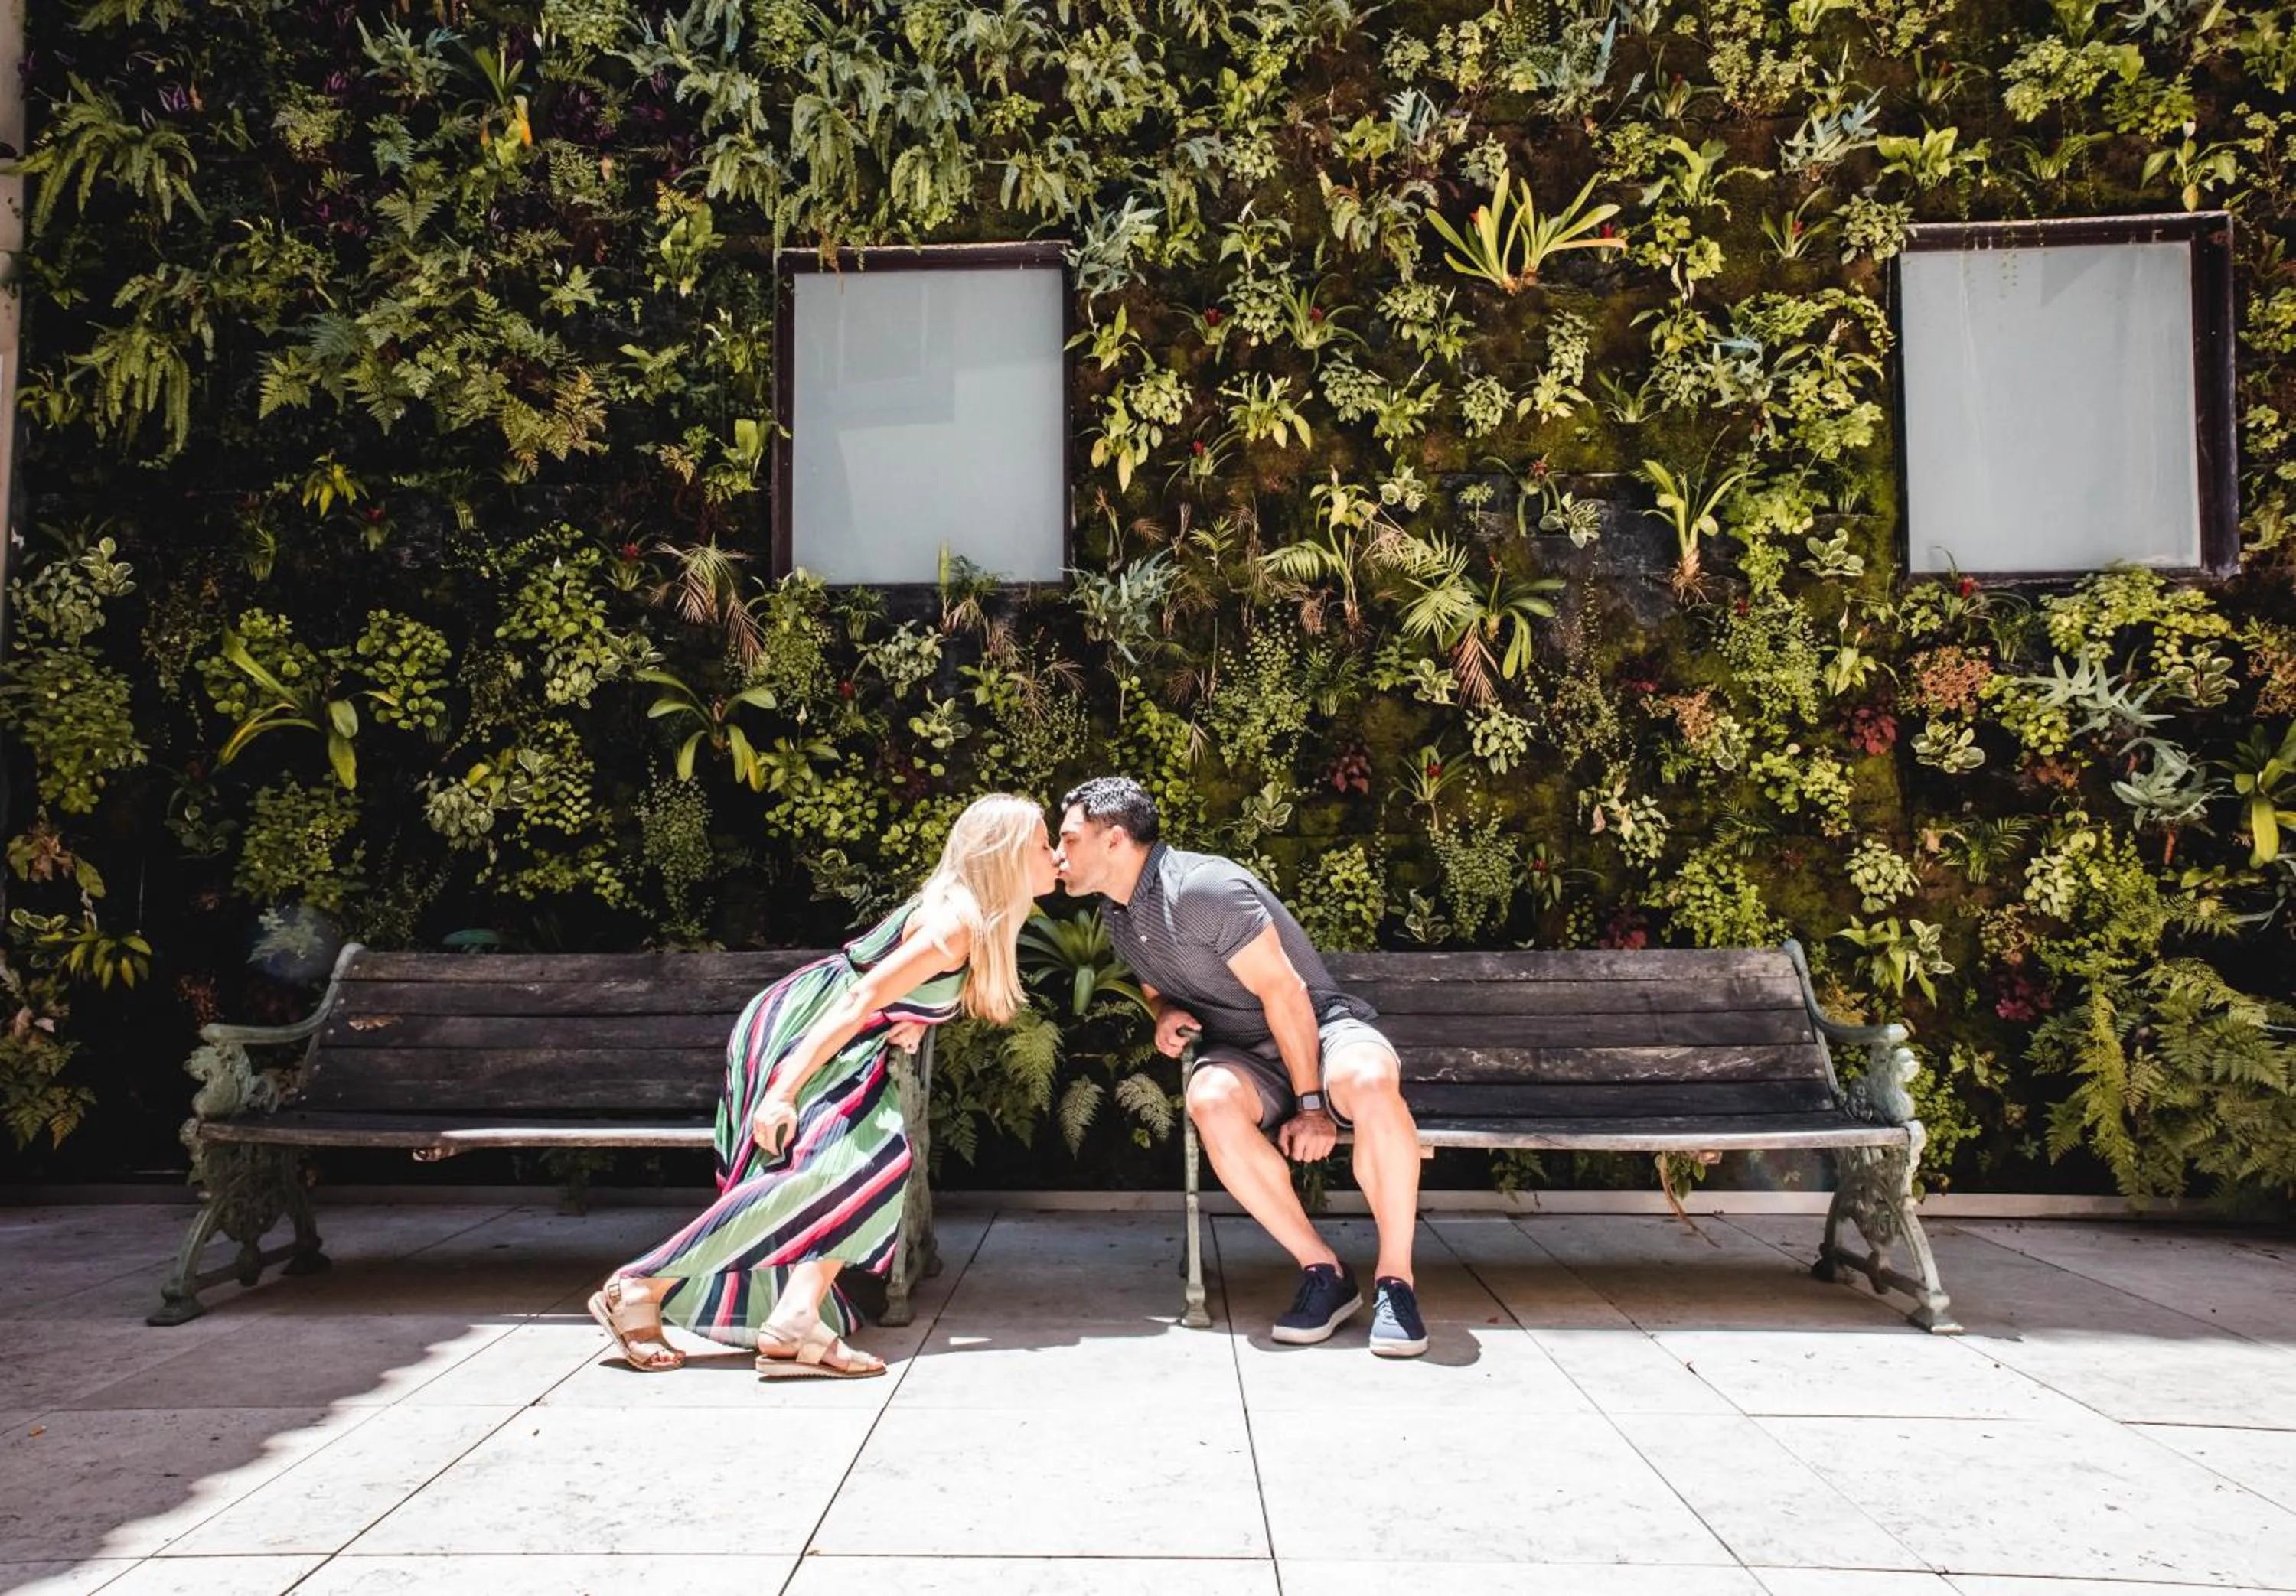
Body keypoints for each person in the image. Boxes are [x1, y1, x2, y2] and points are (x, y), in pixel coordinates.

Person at [589, 793, 1058, 1377]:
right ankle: (640, 1285)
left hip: (842, 1037)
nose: (1056, 855)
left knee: (871, 1162)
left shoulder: (975, 922)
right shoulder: (957, 923)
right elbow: (860, 996)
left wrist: (909, 1019)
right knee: (852, 1164)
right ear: (1006, 856)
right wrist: (783, 1091)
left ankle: (794, 1323)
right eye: (1043, 844)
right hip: (806, 1030)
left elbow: (890, 993)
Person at [1054, 776, 1428, 1357]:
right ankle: (1323, 1272)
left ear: (1115, 840)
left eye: (1069, 839)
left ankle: (1395, 1283)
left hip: (1321, 1030)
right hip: (1246, 1053)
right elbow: (1156, 987)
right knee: (1209, 1099)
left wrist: (1311, 1108)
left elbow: (1286, 995)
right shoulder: (1119, 914)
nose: (1059, 855)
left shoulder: (1205, 889)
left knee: (1373, 1081)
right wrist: (1163, 1011)